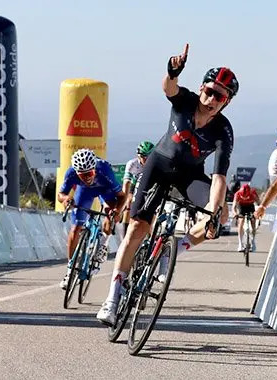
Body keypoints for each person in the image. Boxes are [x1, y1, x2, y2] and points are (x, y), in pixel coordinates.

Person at [96, 43, 239, 325]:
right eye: (208, 91)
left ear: (226, 102)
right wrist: (172, 71)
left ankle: (174, 248)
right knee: (138, 228)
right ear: (201, 88)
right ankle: (112, 299)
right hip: (159, 165)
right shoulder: (184, 101)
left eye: (219, 97)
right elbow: (168, 88)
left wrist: (214, 210)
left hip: (189, 175)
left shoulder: (223, 131)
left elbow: (219, 177)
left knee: (220, 215)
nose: (211, 99)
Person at [57, 149, 126, 289]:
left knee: (109, 213)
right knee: (76, 228)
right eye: (82, 175)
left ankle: (103, 245)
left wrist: (117, 211)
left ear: (94, 169)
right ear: (76, 172)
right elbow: (61, 194)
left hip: (105, 191)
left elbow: (122, 196)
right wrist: (66, 199)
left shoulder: (104, 169)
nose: (87, 178)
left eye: (89, 173)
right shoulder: (71, 173)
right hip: (85, 193)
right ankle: (70, 270)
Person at [121, 141, 155, 233]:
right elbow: (126, 183)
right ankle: (125, 232)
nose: (147, 159)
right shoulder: (132, 164)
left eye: (150, 157)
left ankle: (150, 234)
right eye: (144, 157)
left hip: (149, 187)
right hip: (134, 185)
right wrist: (126, 198)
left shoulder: (154, 164)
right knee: (129, 204)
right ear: (139, 156)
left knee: (152, 210)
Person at [232, 183, 259, 252]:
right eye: (243, 196)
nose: (244, 197)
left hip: (250, 206)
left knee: (253, 221)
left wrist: (257, 212)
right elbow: (234, 206)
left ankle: (253, 241)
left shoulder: (253, 193)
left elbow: (259, 203)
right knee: (241, 221)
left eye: (246, 196)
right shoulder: (237, 194)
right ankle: (240, 244)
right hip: (241, 206)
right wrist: (235, 213)